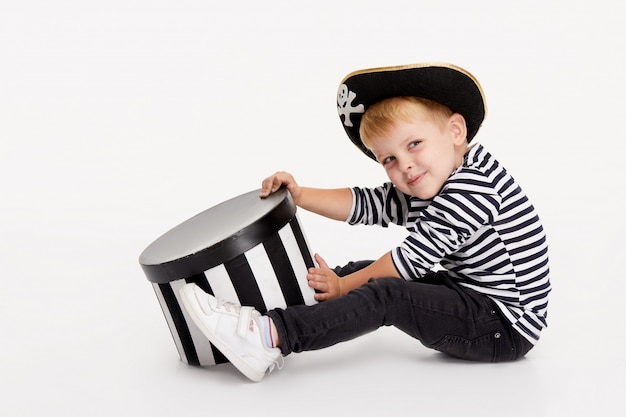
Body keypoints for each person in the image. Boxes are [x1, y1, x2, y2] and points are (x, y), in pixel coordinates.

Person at [178, 63, 551, 382]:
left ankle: (268, 337)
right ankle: (263, 315)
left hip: (502, 327)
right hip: (470, 295)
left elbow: (408, 262)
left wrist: (344, 288)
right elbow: (367, 203)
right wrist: (299, 194)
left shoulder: (474, 188)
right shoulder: (437, 176)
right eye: (387, 159)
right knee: (360, 271)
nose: (403, 165)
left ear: (455, 132)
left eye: (414, 144)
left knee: (384, 291)